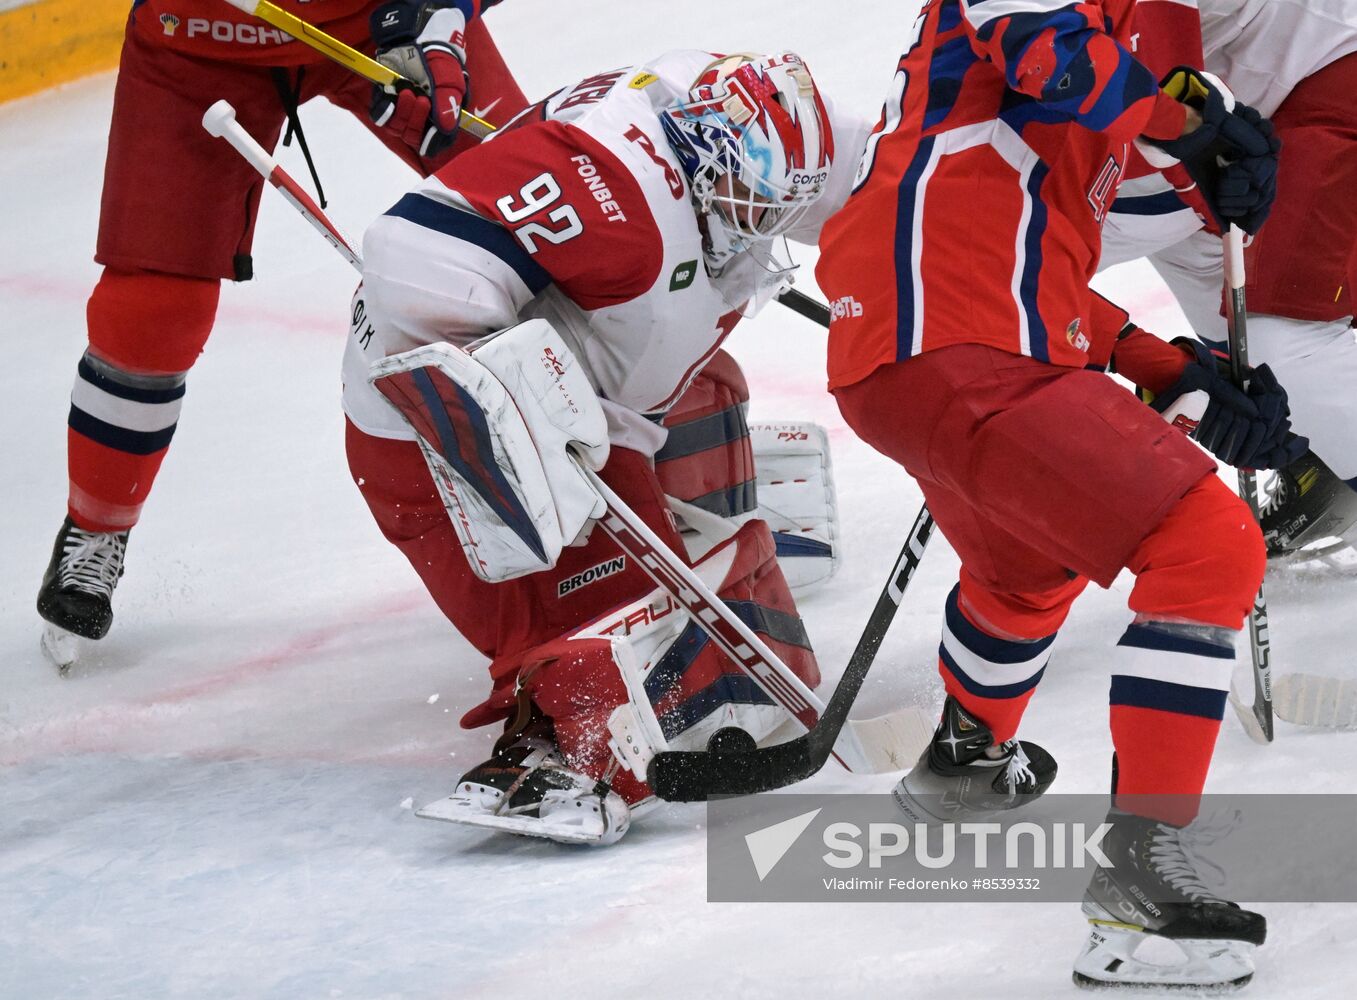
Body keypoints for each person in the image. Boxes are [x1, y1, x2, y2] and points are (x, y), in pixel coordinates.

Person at [816, 0, 1297, 989]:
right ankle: (1141, 876)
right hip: (954, 336)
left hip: (938, 342)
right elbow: (1052, 58)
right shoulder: (1068, 36)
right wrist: (1192, 128)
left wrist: (1167, 366)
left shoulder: (1120, 57)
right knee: (1205, 541)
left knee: (1028, 571)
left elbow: (1033, 258)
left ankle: (966, 756)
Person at [342, 49, 863, 845]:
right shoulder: (648, 257)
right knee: (616, 619)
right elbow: (406, 255)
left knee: (704, 385)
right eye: (748, 191)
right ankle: (568, 741)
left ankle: (708, 543)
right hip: (419, 451)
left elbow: (860, 165)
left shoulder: (685, 86)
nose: (758, 214)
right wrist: (493, 382)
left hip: (549, 350)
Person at [36, 0, 527, 667]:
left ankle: (645, 460)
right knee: (151, 312)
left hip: (381, 18)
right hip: (202, 37)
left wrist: (444, 12)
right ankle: (96, 527)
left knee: (537, 209)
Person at [1101, 0, 1357, 560]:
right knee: (1231, 319)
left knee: (1284, 339)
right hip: (1237, 106)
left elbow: (1167, 100)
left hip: (1323, 72)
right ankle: (1322, 462)